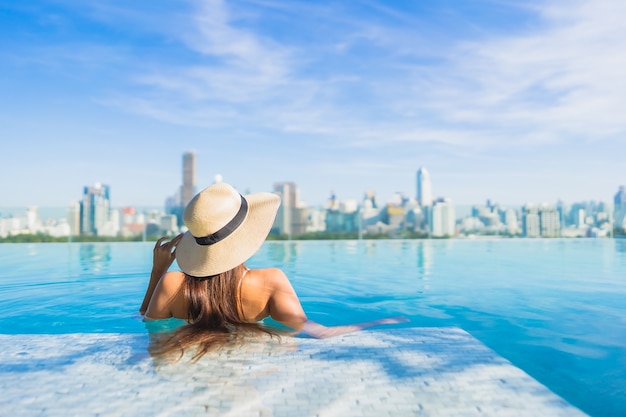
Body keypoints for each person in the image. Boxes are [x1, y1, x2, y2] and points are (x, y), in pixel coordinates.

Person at [140, 182, 406, 359]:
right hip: (251, 368)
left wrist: (157, 273)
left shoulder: (171, 284)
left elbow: (147, 324)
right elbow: (319, 333)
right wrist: (378, 322)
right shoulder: (270, 281)